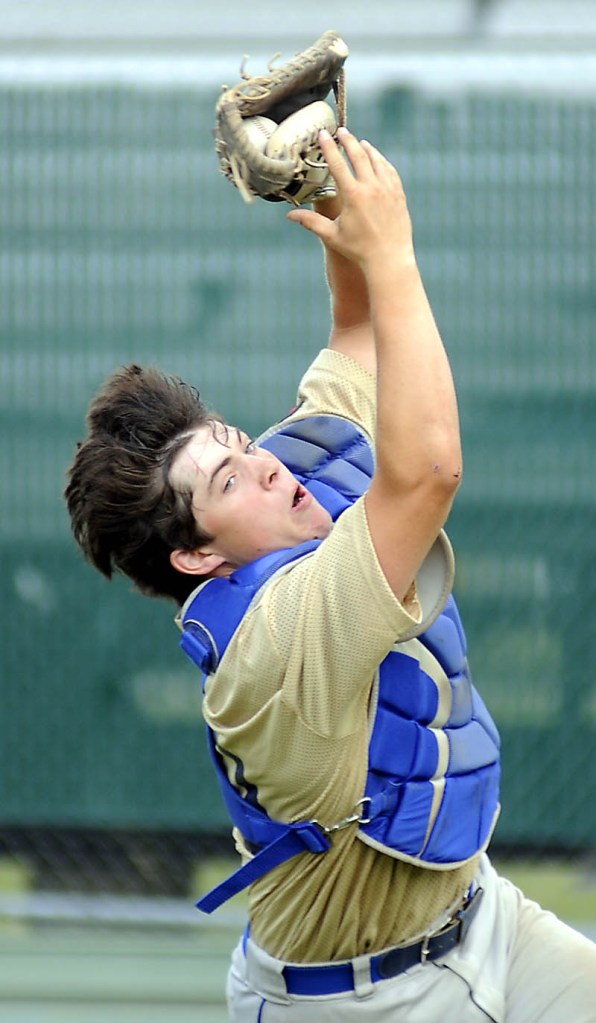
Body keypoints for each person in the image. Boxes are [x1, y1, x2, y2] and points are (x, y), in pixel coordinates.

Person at [65, 128, 596, 1022]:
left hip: (482, 921)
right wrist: (393, 249)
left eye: (239, 443)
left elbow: (357, 329)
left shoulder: (293, 474)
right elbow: (427, 471)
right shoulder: (277, 641)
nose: (266, 465)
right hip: (362, 1001)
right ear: (199, 556)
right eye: (229, 480)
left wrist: (335, 199)